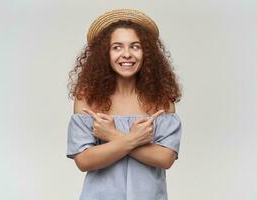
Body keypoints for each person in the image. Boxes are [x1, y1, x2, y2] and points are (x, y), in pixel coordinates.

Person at [67, 9, 183, 200]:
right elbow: (84, 161)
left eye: (135, 46)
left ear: (146, 53)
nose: (127, 54)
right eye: (117, 47)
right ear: (105, 53)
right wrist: (135, 139)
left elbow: (165, 158)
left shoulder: (161, 100)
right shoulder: (87, 99)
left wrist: (112, 135)